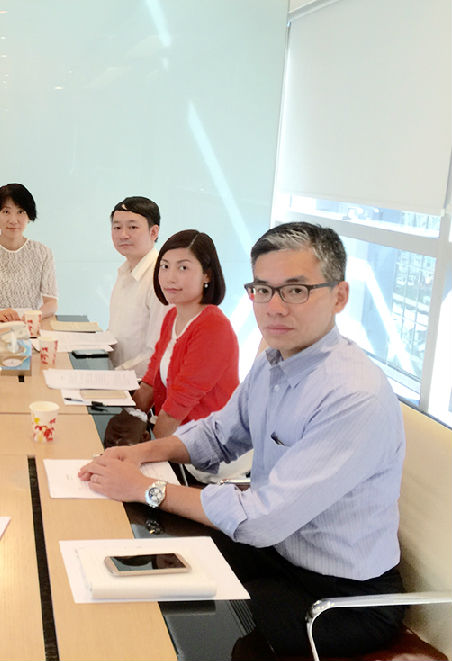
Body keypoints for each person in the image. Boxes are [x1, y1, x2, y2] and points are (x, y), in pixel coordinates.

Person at [79, 222, 406, 657]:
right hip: (278, 552)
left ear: (339, 296)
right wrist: (141, 452)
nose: (274, 307)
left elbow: (260, 519)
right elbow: (218, 434)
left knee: (198, 626)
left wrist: (147, 488)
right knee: (145, 562)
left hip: (340, 596)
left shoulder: (352, 394)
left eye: (296, 290)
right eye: (263, 290)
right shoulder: (273, 362)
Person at [132, 230, 239, 440]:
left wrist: (145, 448)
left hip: (208, 444)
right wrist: (127, 420)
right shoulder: (173, 316)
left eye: (183, 268)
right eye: (165, 266)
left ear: (207, 275)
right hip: (177, 437)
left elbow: (177, 407)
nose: (170, 277)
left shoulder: (213, 327)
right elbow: (150, 382)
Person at [0, 183, 58, 321]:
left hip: (27, 326)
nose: (13, 220)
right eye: (6, 212)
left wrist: (31, 317)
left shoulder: (43, 253)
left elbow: (52, 303)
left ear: (29, 216)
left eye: (20, 212)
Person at [107, 196, 170, 376]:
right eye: (117, 227)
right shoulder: (125, 272)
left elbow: (158, 352)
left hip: (141, 384)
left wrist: (112, 376)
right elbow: (117, 334)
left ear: (154, 232)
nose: (123, 235)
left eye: (132, 227)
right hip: (118, 375)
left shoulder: (161, 278)